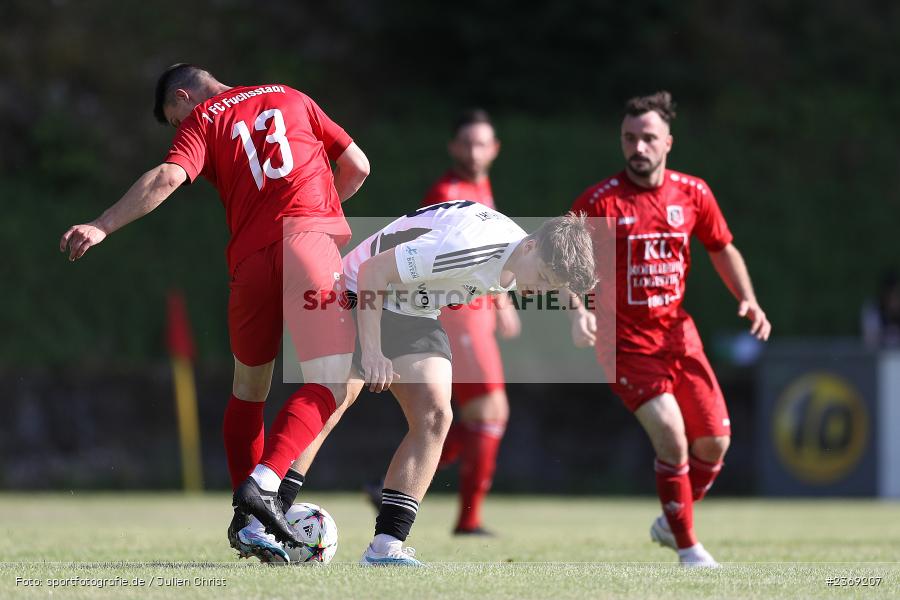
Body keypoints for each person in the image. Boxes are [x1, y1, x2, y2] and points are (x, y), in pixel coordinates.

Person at [58, 64, 371, 562]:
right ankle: (264, 487)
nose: (179, 122)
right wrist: (324, 213)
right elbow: (358, 166)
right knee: (333, 382)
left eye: (172, 115)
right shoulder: (291, 94)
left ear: (183, 96)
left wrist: (102, 225)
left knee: (248, 391)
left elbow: (167, 176)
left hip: (250, 261)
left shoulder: (203, 119)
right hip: (309, 243)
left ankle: (249, 525)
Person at [239, 200, 597, 565]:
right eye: (543, 279)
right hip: (362, 289)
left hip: (415, 309)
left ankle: (385, 547)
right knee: (334, 400)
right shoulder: (468, 248)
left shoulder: (527, 253)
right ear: (531, 246)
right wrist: (375, 352)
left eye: (550, 285)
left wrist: (577, 312)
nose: (539, 290)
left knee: (436, 417)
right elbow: (373, 273)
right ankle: (261, 518)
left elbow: (554, 274)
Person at [569, 91, 771, 567]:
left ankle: (670, 522)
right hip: (622, 344)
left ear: (668, 143)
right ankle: (688, 549)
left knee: (715, 441)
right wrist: (576, 308)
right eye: (629, 138)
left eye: (648, 138)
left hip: (679, 337)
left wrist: (747, 297)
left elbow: (722, 247)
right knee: (672, 437)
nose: (638, 147)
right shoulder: (601, 202)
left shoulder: (694, 193)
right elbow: (557, 260)